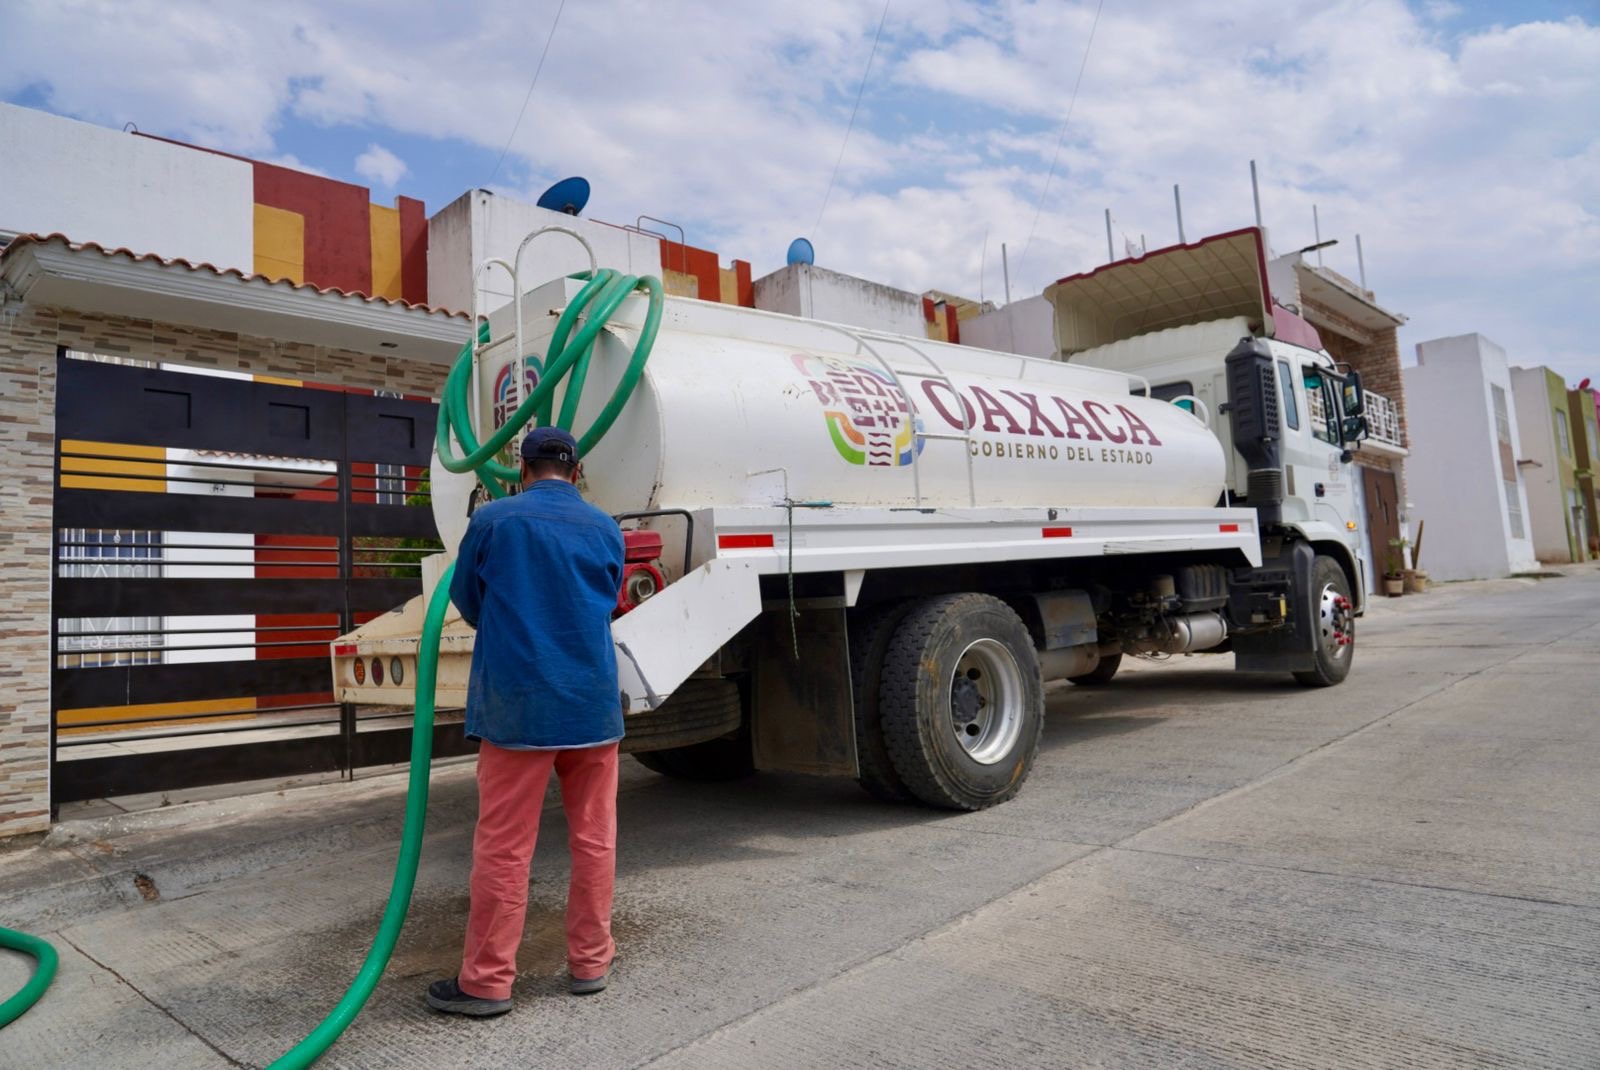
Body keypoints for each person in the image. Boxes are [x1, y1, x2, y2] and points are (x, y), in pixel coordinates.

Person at [426, 426, 625, 1018]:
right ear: (578, 470)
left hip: (521, 706)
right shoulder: (606, 527)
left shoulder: (494, 521)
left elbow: (469, 598)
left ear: (521, 466)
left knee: (506, 847)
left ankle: (488, 982)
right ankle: (591, 963)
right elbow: (607, 600)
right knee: (595, 839)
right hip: (592, 704)